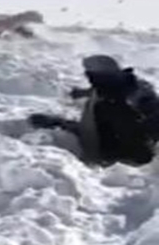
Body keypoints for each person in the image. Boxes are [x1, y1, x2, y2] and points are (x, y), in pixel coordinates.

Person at [29, 55, 159, 166]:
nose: (89, 78)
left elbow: (146, 128)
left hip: (125, 161)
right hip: (104, 145)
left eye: (91, 74)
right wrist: (79, 94)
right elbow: (94, 131)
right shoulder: (110, 90)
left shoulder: (130, 97)